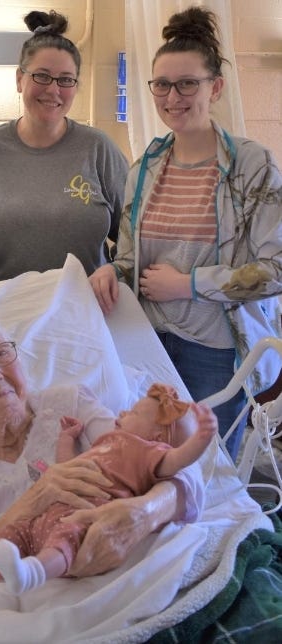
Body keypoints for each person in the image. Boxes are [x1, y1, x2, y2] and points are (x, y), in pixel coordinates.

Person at [0, 310, 204, 640]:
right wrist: (30, 504)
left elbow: (173, 461)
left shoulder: (70, 405)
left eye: (0, 354)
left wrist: (145, 512)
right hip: (32, 616)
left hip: (130, 576)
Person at [89, 7, 282, 461]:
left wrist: (189, 285)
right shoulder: (143, 169)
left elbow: (275, 271)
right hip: (148, 340)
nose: (172, 96)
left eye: (187, 83)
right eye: (161, 84)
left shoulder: (252, 166)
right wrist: (109, 273)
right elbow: (132, 260)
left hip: (215, 350)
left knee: (210, 474)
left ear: (215, 87)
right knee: (151, 466)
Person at [0, 9, 129, 283]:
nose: (53, 90)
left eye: (66, 79)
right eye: (41, 76)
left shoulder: (99, 150)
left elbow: (134, 237)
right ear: (20, 79)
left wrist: (115, 273)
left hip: (82, 309)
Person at [0, 383, 217, 597]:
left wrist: (200, 440)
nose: (123, 413)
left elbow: (179, 460)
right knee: (13, 531)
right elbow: (67, 468)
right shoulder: (106, 441)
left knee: (67, 538)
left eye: (134, 413)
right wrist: (66, 439)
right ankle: (0, 592)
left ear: (157, 438)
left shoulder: (147, 453)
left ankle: (34, 572)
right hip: (51, 512)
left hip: (84, 514)